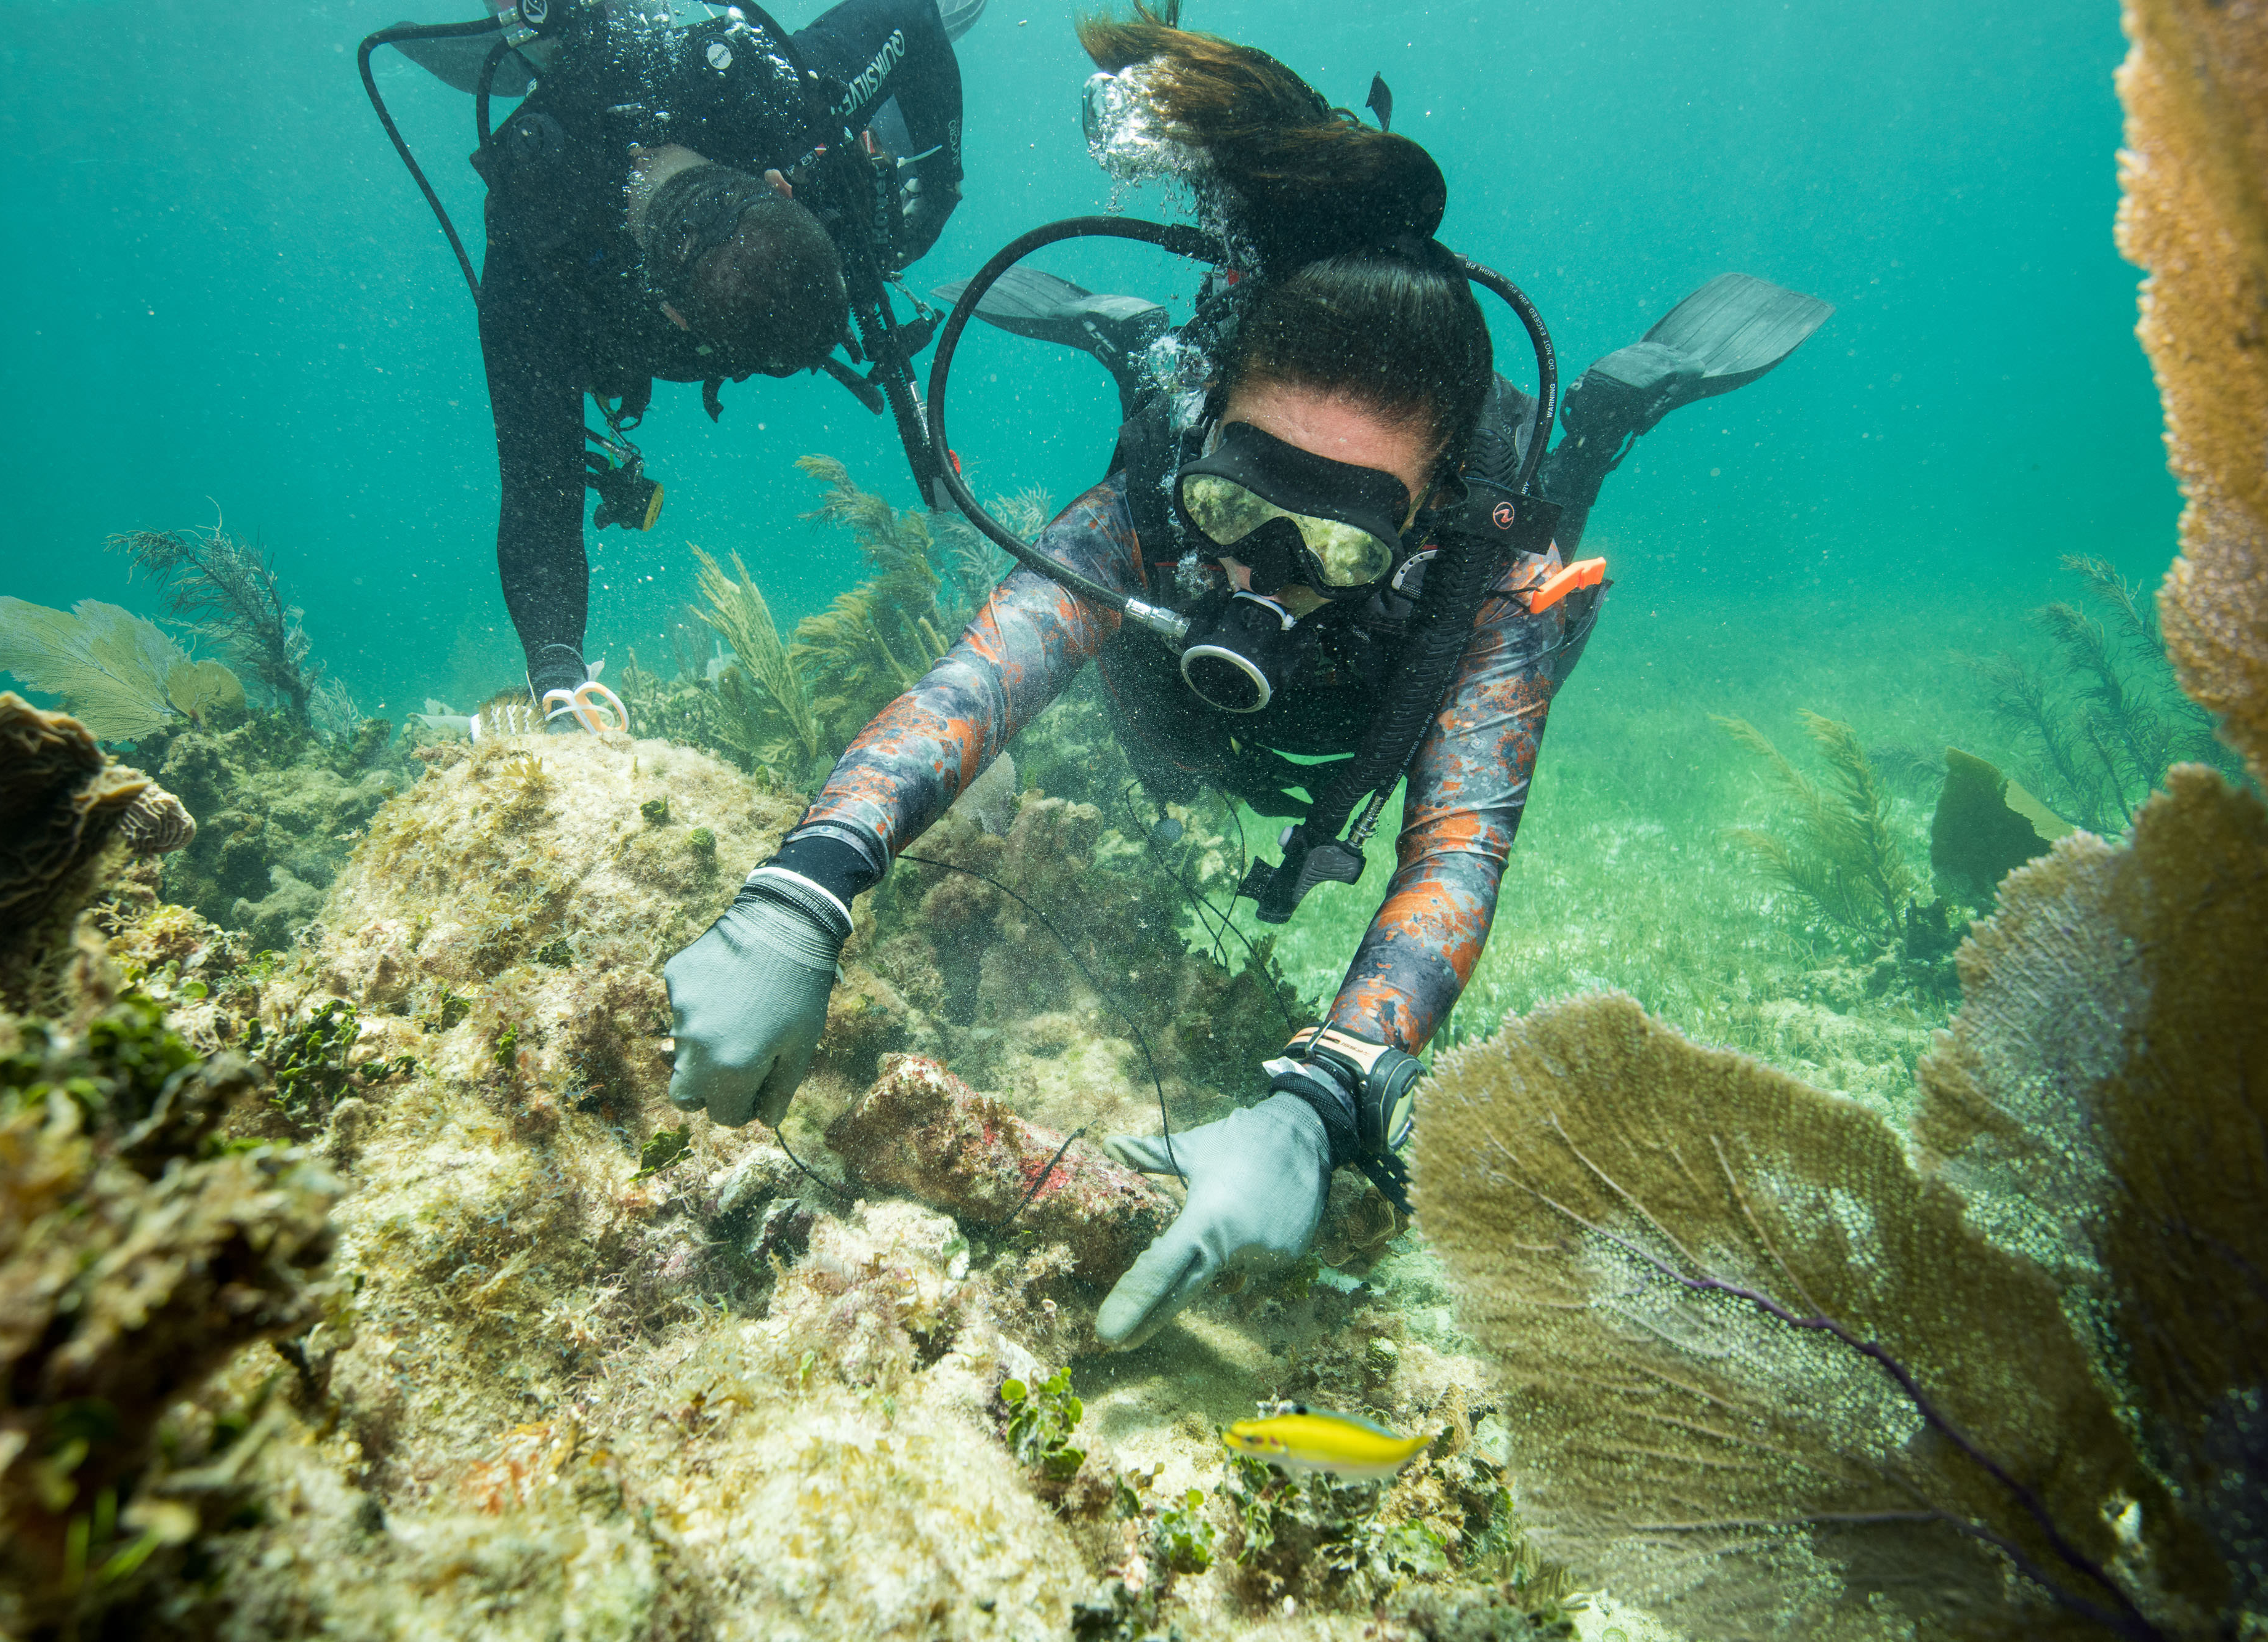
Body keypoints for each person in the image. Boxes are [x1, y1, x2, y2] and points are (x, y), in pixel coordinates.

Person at [661, 2, 1828, 1348]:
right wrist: (798, 893)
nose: (1266, 573)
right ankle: (1139, 344)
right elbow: (977, 679)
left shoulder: (1476, 582)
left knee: (1553, 580)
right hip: (1186, 686)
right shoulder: (1147, 501)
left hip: (1415, 654)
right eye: (1236, 503)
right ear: (1207, 438)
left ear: (1421, 511)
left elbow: (1455, 848)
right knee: (1157, 727)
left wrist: (1322, 1099)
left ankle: (1608, 417)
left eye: (1334, 538)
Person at [391, 0, 983, 714]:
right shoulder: (537, 256)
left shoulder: (771, 94)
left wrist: (930, 195)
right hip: (576, 156)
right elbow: (538, 494)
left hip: (746, 119)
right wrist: (557, 678)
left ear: (779, 185)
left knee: (865, 169)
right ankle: (529, 35)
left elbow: (912, 16)